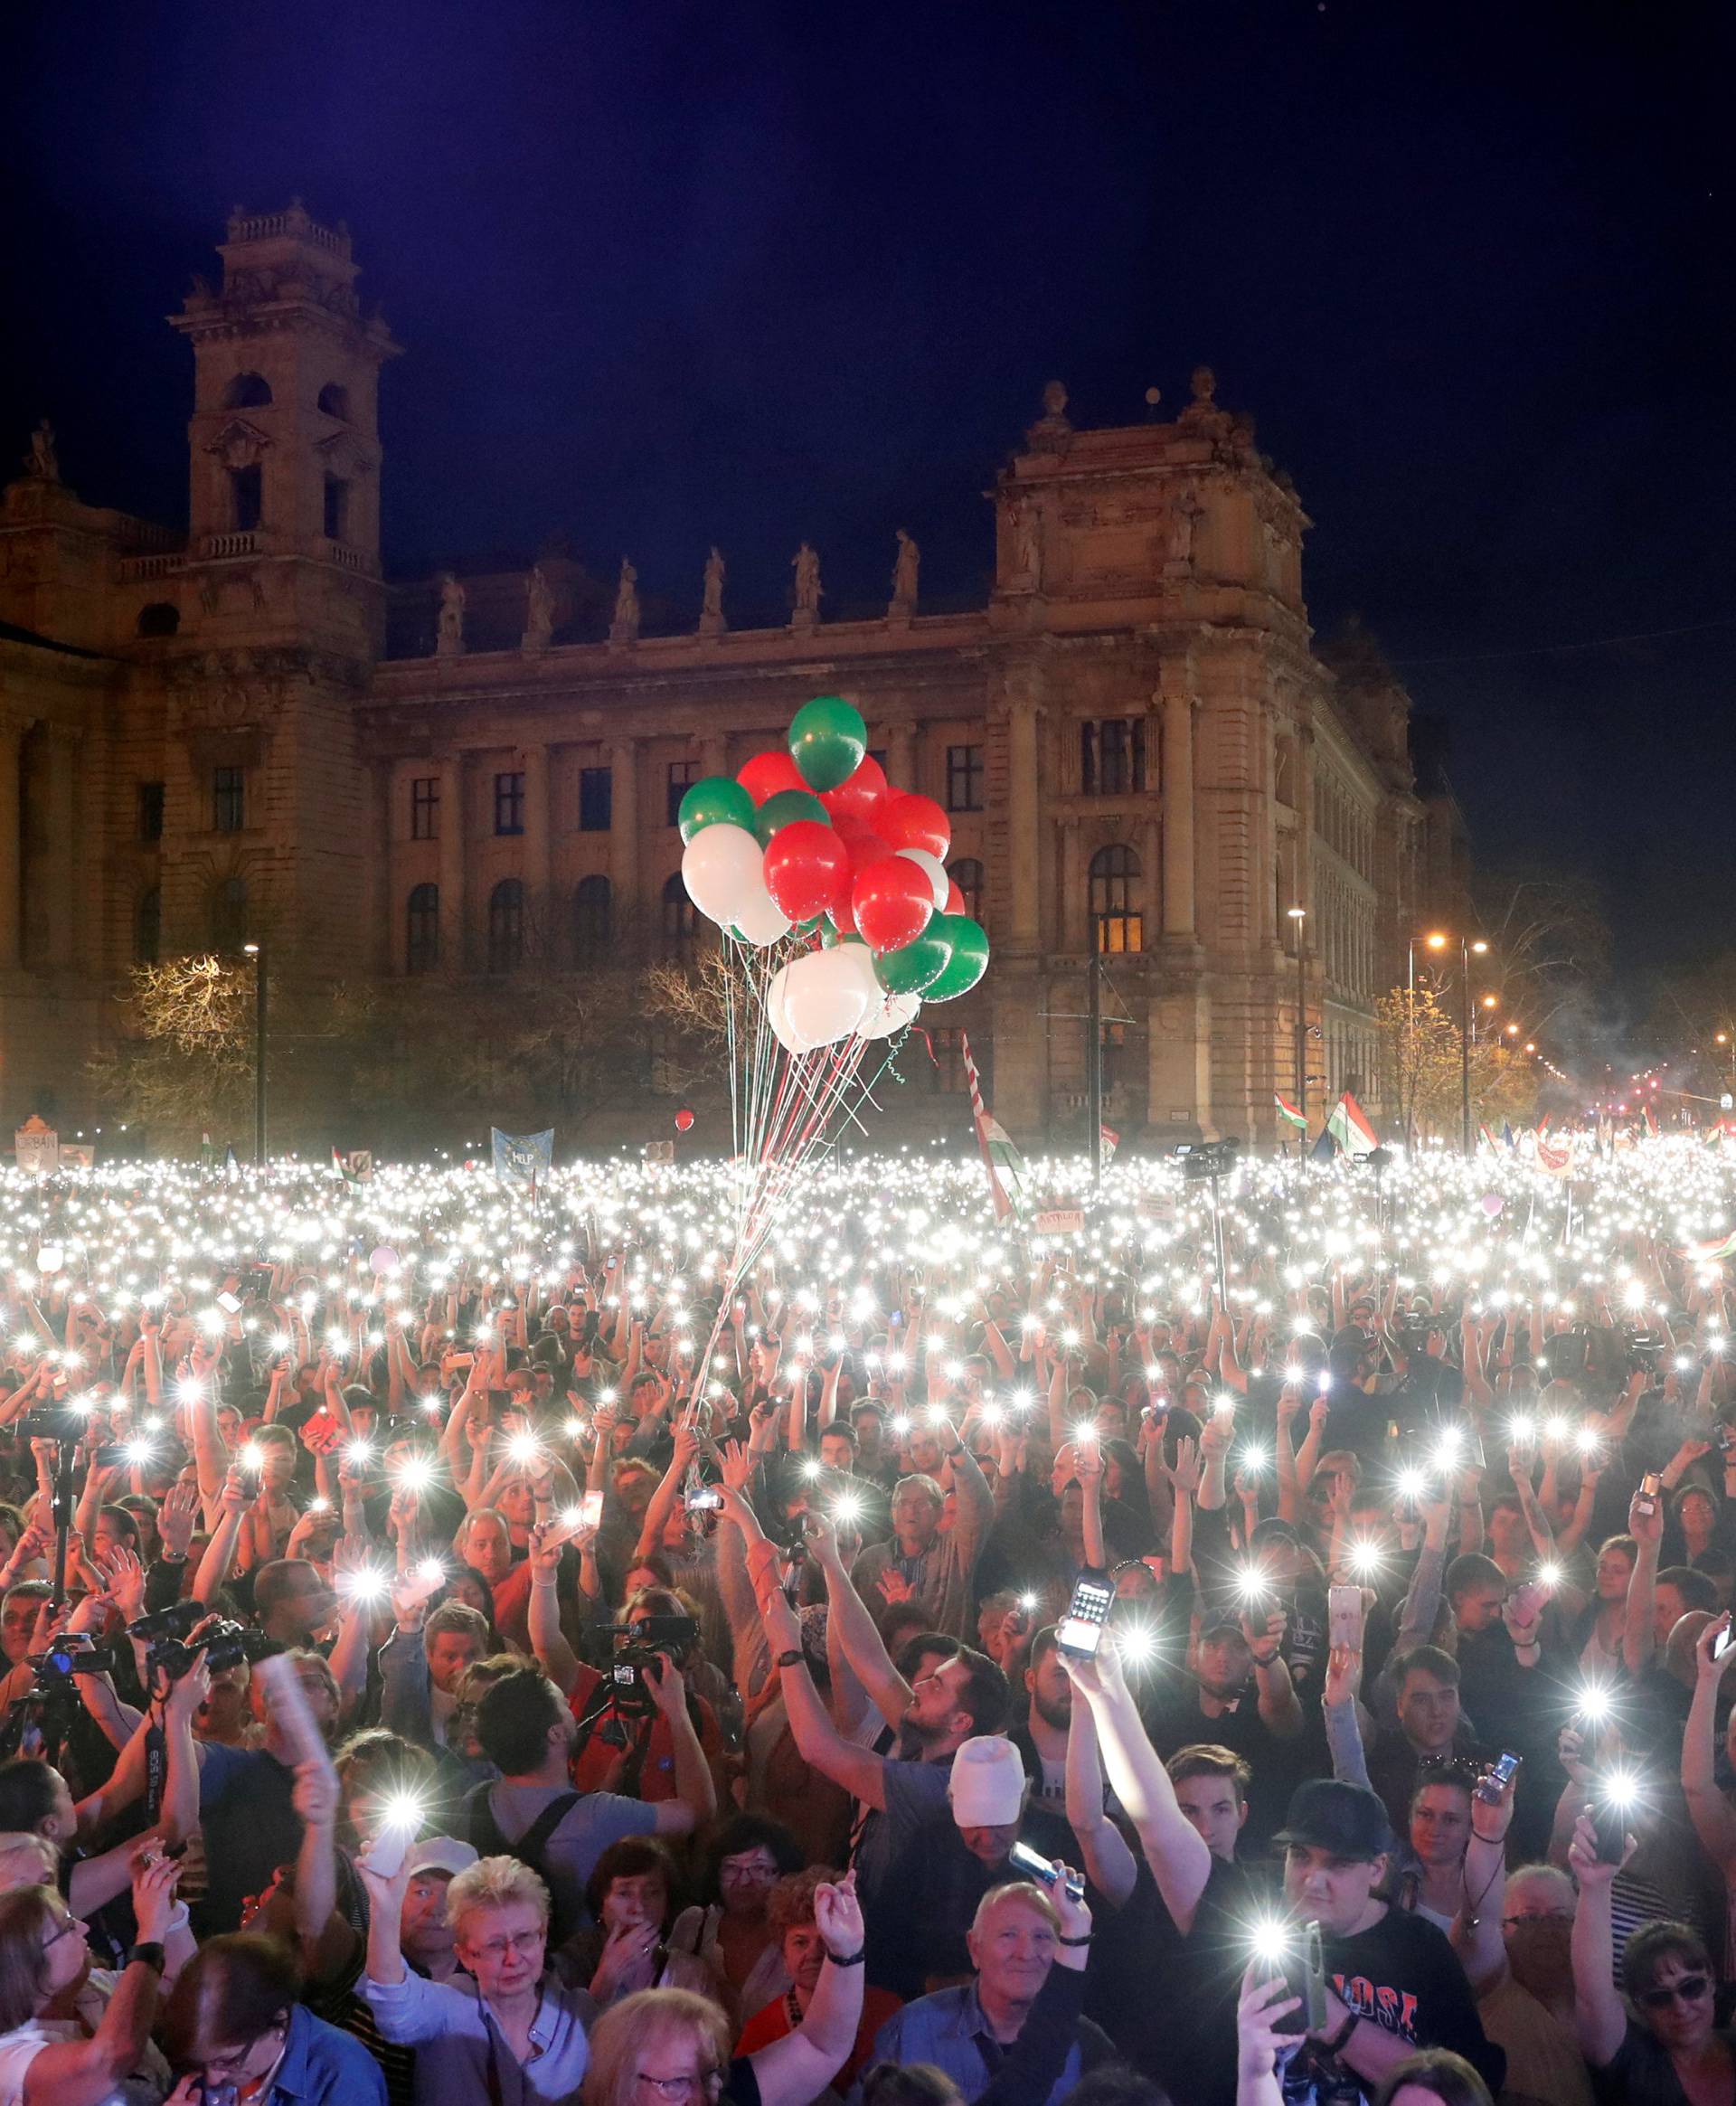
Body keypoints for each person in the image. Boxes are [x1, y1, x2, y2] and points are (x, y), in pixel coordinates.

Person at [466, 1663, 712, 1941]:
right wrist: (677, 1712)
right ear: (556, 1734)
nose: (571, 1708)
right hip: (582, 1970)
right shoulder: (601, 1815)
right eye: (563, 1704)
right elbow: (698, 1809)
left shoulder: (476, 1800)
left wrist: (605, 1786)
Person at [582, 1870, 865, 2106]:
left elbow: (821, 2046)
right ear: (621, 2083)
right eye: (676, 2084)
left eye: (709, 2076)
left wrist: (846, 1950)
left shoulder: (724, 2098)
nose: (702, 2097)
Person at [359, 1851, 593, 2105]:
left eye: (524, 1938)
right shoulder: (449, 2006)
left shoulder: (580, 2014)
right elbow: (394, 2004)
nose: (512, 1958)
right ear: (466, 1956)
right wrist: (384, 1909)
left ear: (544, 1936)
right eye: (494, 1945)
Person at [855, 1879, 1113, 2106]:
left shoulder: (1089, 2045)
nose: (1025, 1953)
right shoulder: (911, 2031)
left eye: (1043, 1937)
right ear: (974, 1948)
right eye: (1008, 1935)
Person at [1567, 1806, 1736, 2105]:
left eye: (1691, 1987)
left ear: (1711, 1982)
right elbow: (1593, 1997)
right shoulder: (1634, 2063)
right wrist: (1595, 1885)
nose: (1681, 2008)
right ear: (1639, 2006)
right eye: (1660, 1997)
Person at [0, 1849, 180, 2106]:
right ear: (28, 1965)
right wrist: (150, 1933)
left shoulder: (91, 1988)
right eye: (69, 1926)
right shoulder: (9, 2059)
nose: (85, 1927)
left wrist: (169, 1912)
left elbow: (178, 1991)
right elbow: (109, 2059)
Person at [160, 1931, 386, 2106]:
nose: (212, 2080)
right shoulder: (208, 2055)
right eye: (202, 2063)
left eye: (228, 2062)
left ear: (279, 2020)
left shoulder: (343, 2076)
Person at [734, 1866, 903, 2092]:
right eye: (800, 1942)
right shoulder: (761, 2030)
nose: (813, 1953)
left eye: (826, 1939)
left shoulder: (891, 2011)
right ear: (783, 1954)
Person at [668, 1815, 806, 2023]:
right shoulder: (693, 1925)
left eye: (759, 1868)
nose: (743, 1881)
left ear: (782, 1874)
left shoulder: (799, 1936)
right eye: (731, 1868)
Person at [567, 1836, 720, 2006]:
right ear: (601, 1902)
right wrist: (607, 1977)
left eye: (652, 1893)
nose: (638, 1907)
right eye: (624, 1893)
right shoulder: (573, 1960)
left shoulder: (690, 1973)